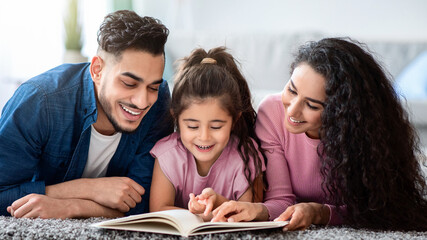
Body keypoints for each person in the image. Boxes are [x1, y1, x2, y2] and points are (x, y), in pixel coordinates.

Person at [211, 37, 427, 231]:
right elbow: (281, 199)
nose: (292, 111)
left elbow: (375, 208)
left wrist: (319, 212)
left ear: (340, 112)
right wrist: (255, 211)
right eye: (292, 90)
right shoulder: (272, 112)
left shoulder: (361, 137)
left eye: (312, 105)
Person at [0, 10, 173, 219]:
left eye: (152, 87)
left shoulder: (160, 101)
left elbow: (143, 203)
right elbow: (3, 194)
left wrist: (70, 207)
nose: (143, 101)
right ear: (97, 70)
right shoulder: (40, 101)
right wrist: (88, 189)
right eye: (129, 84)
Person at [149, 47, 265, 220]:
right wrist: (206, 214)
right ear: (177, 118)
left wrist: (217, 202)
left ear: (234, 120)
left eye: (216, 127)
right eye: (192, 127)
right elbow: (158, 209)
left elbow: (251, 214)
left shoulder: (246, 155)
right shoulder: (168, 155)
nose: (204, 136)